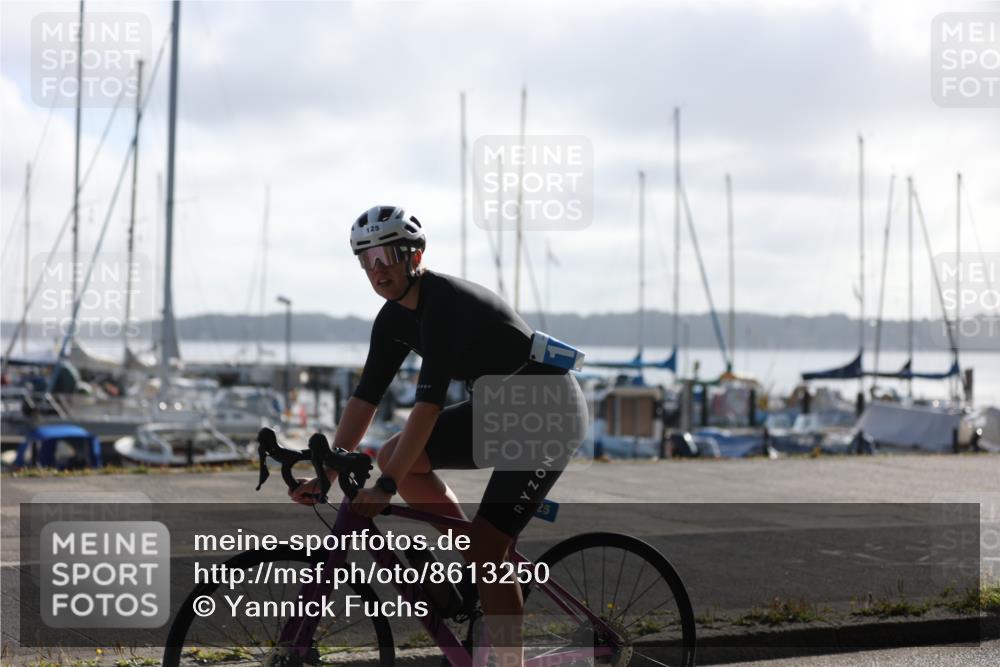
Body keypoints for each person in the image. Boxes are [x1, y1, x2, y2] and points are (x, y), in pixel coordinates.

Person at [291, 206, 584, 667]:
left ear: (416, 255)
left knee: (488, 548)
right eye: (366, 260)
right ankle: (476, 567)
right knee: (396, 455)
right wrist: (328, 470)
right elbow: (364, 400)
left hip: (548, 411)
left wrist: (386, 486)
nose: (377, 269)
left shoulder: (442, 302)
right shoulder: (391, 320)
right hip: (498, 408)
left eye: (386, 254)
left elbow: (427, 408)